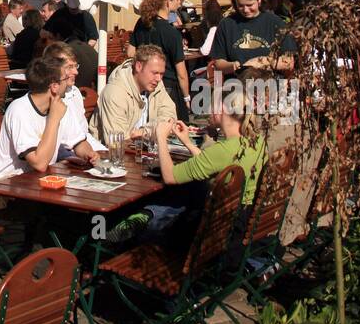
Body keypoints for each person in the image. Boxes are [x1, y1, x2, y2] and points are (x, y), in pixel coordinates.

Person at [104, 94, 267, 250]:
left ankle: (134, 224)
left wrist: (160, 137)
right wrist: (187, 142)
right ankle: (149, 214)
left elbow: (170, 176)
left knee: (178, 192)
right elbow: (211, 161)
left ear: (222, 110)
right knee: (190, 190)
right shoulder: (254, 141)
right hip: (237, 221)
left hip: (209, 234)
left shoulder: (223, 150)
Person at [0, 55, 101, 181]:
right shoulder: (19, 110)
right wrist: (53, 119)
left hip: (38, 180)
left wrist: (89, 154)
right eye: (65, 78)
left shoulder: (60, 105)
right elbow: (39, 163)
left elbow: (78, 142)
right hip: (5, 183)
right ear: (54, 87)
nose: (69, 81)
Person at [127, 0, 190, 117]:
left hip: (143, 85)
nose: (180, 1)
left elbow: (130, 52)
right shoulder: (172, 33)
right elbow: (181, 73)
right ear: (168, 2)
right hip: (167, 88)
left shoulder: (142, 22)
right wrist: (187, 98)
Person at [211, 0, 297, 78]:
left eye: (250, 5)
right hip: (237, 86)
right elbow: (218, 62)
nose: (246, 10)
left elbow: (289, 62)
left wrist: (261, 62)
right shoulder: (226, 24)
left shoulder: (275, 23)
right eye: (241, 6)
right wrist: (233, 66)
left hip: (270, 86)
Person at [96, 45, 177, 142]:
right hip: (109, 153)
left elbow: (170, 115)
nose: (159, 78)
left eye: (161, 74)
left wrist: (143, 132)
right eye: (155, 73)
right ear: (138, 66)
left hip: (145, 148)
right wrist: (157, 131)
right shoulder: (115, 93)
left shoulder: (156, 84)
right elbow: (118, 142)